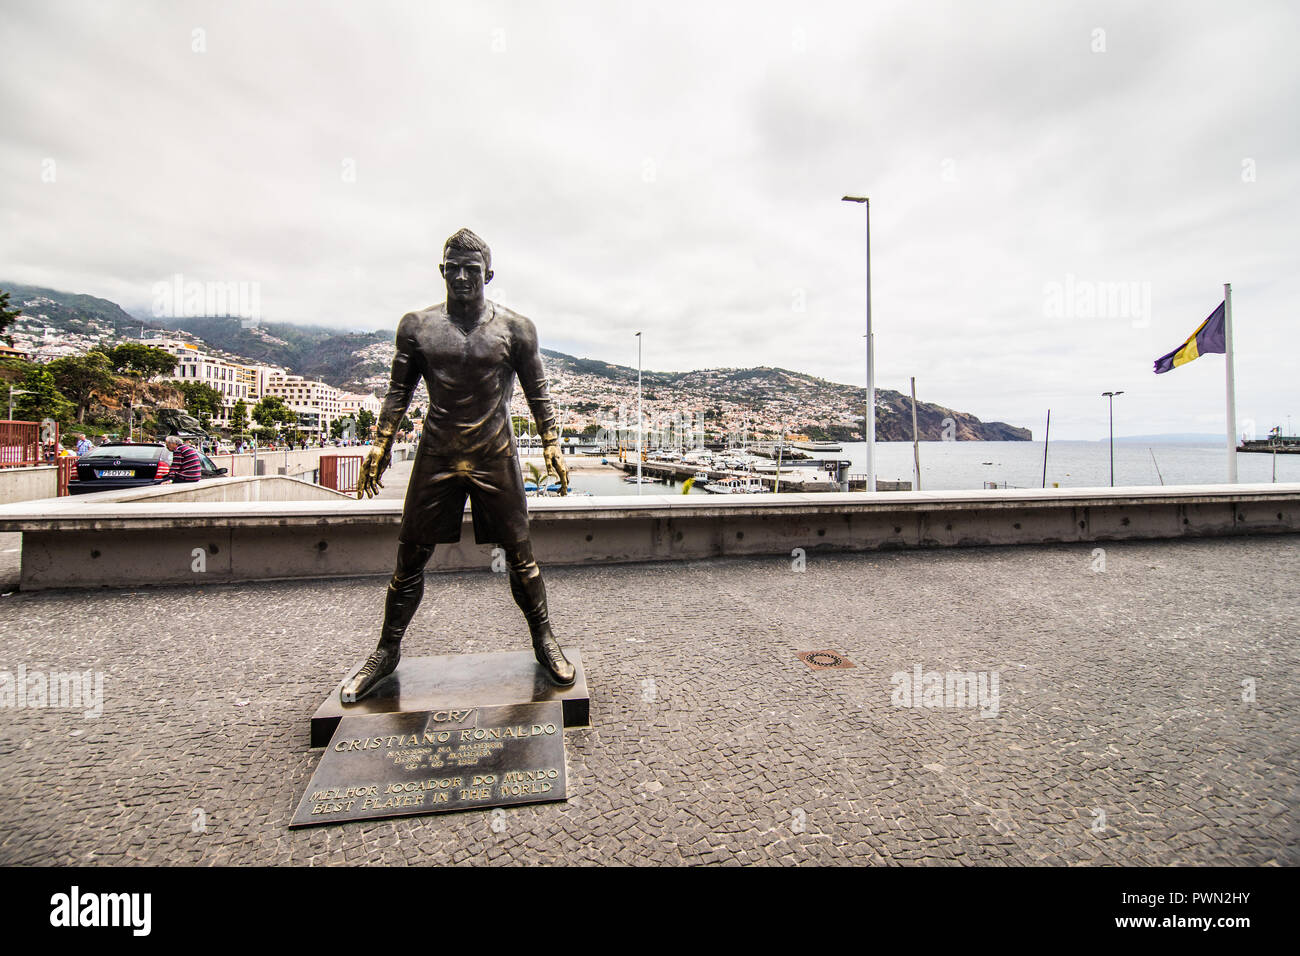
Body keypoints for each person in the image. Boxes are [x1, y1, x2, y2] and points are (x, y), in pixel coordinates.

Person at [345, 227, 572, 702]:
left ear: (489, 274)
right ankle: (386, 651)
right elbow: (398, 393)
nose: (463, 277)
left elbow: (538, 392)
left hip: (496, 456)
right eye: (454, 268)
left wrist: (552, 442)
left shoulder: (517, 329)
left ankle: (544, 639)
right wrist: (380, 445)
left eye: (473, 269)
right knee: (409, 560)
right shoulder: (417, 327)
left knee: (521, 557)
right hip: (437, 455)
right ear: (442, 270)